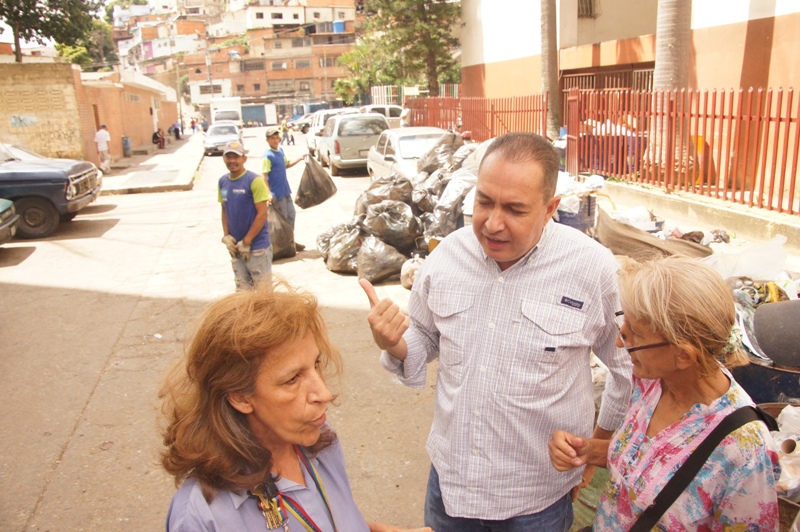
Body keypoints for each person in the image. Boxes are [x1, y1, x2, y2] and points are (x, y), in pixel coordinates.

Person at [360, 132, 633, 531]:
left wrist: (595, 449)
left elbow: (627, 369)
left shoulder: (593, 270)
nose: (492, 222)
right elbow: (424, 336)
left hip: (536, 497)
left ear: (550, 208)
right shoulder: (447, 258)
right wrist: (394, 342)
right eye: (484, 201)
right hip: (451, 485)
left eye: (515, 209)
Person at [160, 279, 434, 532]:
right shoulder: (201, 516)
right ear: (241, 397)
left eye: (315, 364)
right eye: (292, 379)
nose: (324, 393)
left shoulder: (320, 441)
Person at [549, 255, 781, 531]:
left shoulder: (744, 451)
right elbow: (650, 458)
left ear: (683, 355)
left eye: (634, 333)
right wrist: (588, 450)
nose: (619, 342)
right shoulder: (652, 383)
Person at [218, 141, 272, 291]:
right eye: (228, 157)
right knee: (242, 293)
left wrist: (247, 241)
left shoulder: (254, 181)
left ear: (244, 159)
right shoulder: (223, 182)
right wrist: (226, 236)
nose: (232, 161)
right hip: (236, 248)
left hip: (257, 248)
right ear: (224, 159)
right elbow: (224, 209)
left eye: (236, 157)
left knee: (264, 294)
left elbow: (262, 214)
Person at [262, 126, 305, 251]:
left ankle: (290, 242)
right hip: (276, 194)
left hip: (285, 191)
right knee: (283, 221)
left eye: (277, 138)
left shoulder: (280, 151)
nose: (275, 141)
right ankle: (283, 246)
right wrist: (268, 193)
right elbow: (263, 175)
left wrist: (300, 158)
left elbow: (287, 164)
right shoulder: (267, 156)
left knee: (291, 216)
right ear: (267, 140)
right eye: (272, 139)